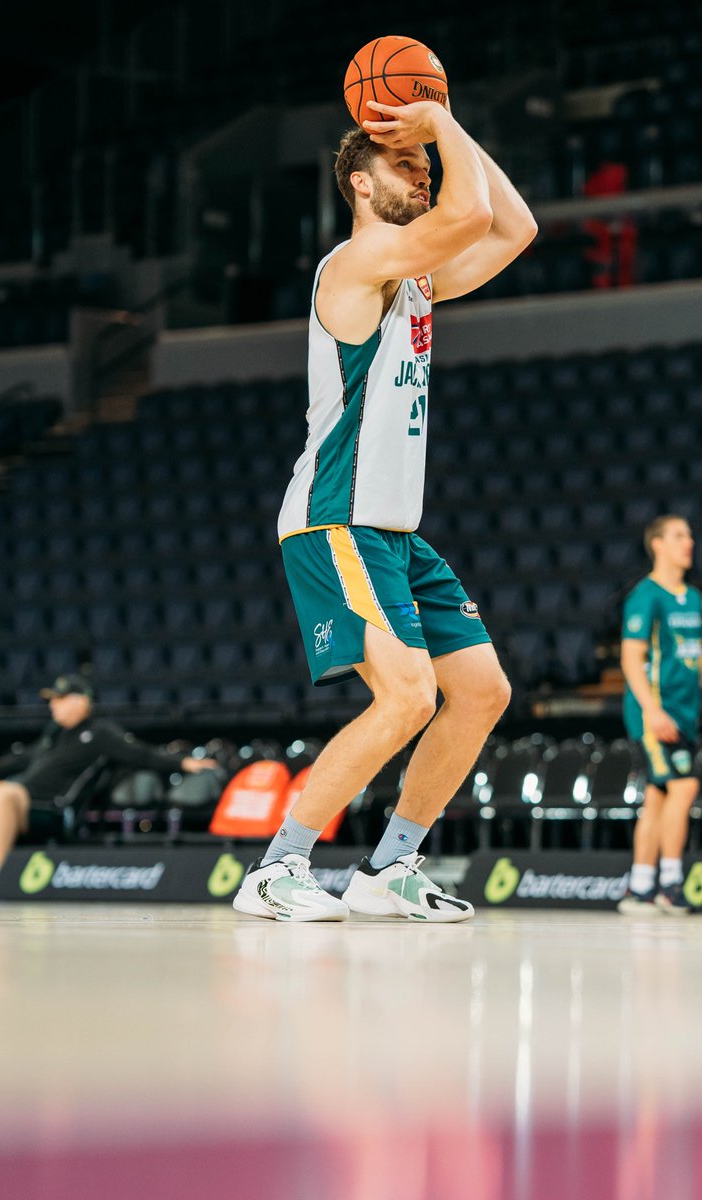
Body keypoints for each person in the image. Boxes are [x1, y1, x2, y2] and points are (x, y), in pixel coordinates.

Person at [232, 94, 537, 922]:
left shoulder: (417, 279)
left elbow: (515, 231)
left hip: (396, 531)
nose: (423, 174)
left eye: (424, 166)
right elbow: (469, 211)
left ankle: (389, 868)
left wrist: (446, 128)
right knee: (406, 695)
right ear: (360, 185)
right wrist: (435, 119)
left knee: (480, 692)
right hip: (335, 520)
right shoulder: (353, 267)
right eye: (405, 166)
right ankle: (276, 867)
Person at [0, 674, 219, 892]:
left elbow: (140, 753)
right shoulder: (55, 734)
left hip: (53, 811)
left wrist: (184, 763)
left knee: (2, 790)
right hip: (18, 811)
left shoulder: (99, 732)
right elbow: (23, 757)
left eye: (59, 699)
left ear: (81, 701)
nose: (52, 706)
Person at [617, 515, 702, 915]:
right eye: (680, 535)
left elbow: (694, 649)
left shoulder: (693, 598)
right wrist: (652, 711)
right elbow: (630, 658)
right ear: (658, 545)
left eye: (691, 534)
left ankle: (639, 887)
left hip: (684, 713)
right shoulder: (645, 596)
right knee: (683, 788)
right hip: (654, 714)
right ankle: (670, 882)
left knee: (658, 797)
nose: (690, 542)